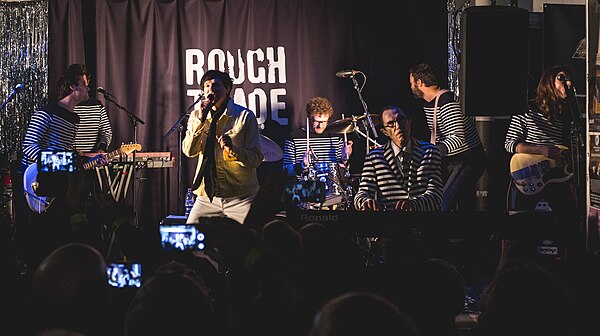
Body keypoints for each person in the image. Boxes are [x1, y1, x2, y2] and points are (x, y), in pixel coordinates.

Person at [14, 68, 90, 269]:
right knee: (37, 231)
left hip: (58, 179)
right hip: (36, 179)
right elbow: (29, 146)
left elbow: (64, 150)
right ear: (73, 87)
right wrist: (59, 160)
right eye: (84, 84)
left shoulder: (75, 118)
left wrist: (86, 157)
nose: (88, 88)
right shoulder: (46, 113)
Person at [504, 65, 581, 255]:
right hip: (529, 173)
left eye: (569, 79)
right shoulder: (528, 109)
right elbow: (510, 144)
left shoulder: (567, 113)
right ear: (549, 82)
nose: (568, 82)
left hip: (556, 175)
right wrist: (540, 149)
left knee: (570, 224)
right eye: (562, 78)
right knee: (520, 229)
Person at [183, 70, 263, 225]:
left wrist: (232, 150)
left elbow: (256, 159)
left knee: (249, 240)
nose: (211, 89)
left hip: (240, 196)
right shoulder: (197, 116)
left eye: (216, 85)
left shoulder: (245, 116)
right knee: (191, 241)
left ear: (227, 89)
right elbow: (189, 151)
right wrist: (200, 121)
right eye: (207, 85)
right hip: (207, 196)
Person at [409, 62, 486, 211]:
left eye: (412, 83)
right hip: (453, 161)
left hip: (467, 160)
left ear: (419, 83)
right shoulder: (429, 104)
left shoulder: (447, 101)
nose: (411, 87)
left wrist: (429, 151)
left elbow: (458, 138)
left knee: (443, 204)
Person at [353, 105, 442, 212]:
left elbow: (436, 194)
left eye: (401, 120)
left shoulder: (429, 151)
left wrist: (414, 204)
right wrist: (365, 202)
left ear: (409, 122)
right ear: (385, 132)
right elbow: (362, 193)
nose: (398, 126)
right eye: (391, 124)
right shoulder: (375, 157)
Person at [282, 96, 353, 208]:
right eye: (317, 122)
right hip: (305, 190)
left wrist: (345, 158)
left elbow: (343, 172)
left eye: (324, 122)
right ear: (309, 118)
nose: (321, 125)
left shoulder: (336, 136)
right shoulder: (294, 137)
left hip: (332, 189)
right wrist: (302, 165)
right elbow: (285, 170)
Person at [67, 64, 113, 153]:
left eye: (85, 82)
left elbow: (106, 132)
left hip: (92, 161)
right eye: (80, 83)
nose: (84, 86)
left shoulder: (97, 105)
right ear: (72, 86)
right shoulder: (64, 107)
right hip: (70, 161)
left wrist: (102, 148)